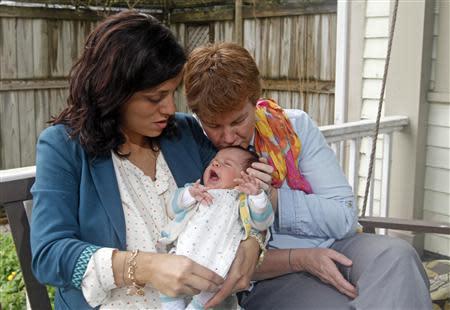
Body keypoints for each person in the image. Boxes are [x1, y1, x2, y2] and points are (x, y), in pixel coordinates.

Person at [30, 12, 268, 309]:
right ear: (114, 91)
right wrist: (146, 267)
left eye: (172, 93)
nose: (169, 108)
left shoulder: (185, 133)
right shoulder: (64, 146)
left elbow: (246, 190)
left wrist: (252, 242)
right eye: (155, 98)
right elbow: (48, 255)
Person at [183, 42, 432, 309]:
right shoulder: (193, 147)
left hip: (336, 244)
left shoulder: (293, 128)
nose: (228, 137)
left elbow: (345, 218)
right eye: (213, 125)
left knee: (397, 256)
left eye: (238, 121)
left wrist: (274, 198)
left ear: (255, 101)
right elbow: (205, 252)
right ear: (198, 116)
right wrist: (302, 258)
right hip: (272, 273)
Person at [157, 146, 274, 309]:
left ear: (245, 177)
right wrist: (189, 194)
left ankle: (197, 306)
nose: (216, 165)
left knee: (213, 288)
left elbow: (263, 222)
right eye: (214, 162)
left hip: (218, 257)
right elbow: (172, 208)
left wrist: (257, 196)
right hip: (186, 250)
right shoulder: (198, 190)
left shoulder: (242, 200)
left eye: (227, 164)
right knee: (167, 279)